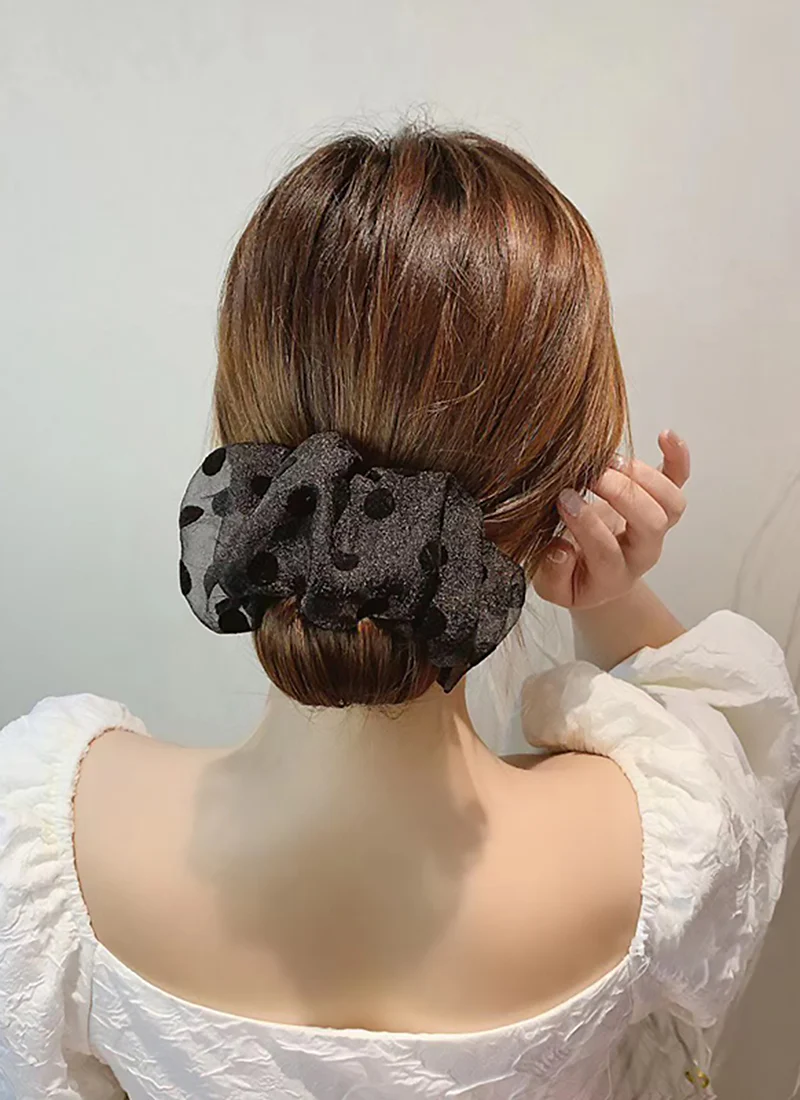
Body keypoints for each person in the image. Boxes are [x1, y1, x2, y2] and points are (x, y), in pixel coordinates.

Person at [0, 126, 797, 1100]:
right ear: (562, 487)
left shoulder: (50, 849)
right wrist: (613, 594)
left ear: (244, 456)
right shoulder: (654, 845)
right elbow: (735, 734)